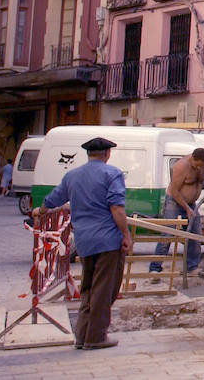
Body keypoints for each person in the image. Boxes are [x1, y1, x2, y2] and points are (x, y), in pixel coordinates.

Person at [35, 137, 131, 350]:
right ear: (107, 154)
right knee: (105, 288)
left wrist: (40, 211)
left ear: (88, 154)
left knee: (87, 287)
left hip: (84, 240)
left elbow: (52, 200)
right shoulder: (111, 173)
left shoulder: (72, 176)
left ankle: (82, 335)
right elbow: (117, 208)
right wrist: (126, 235)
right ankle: (96, 337)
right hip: (107, 240)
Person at [149, 148, 204, 276]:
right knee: (168, 234)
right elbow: (174, 191)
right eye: (198, 165)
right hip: (174, 203)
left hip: (192, 204)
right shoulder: (181, 166)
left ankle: (191, 267)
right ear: (193, 158)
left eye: (202, 166)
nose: (200, 168)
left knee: (195, 236)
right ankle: (155, 267)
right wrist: (186, 208)